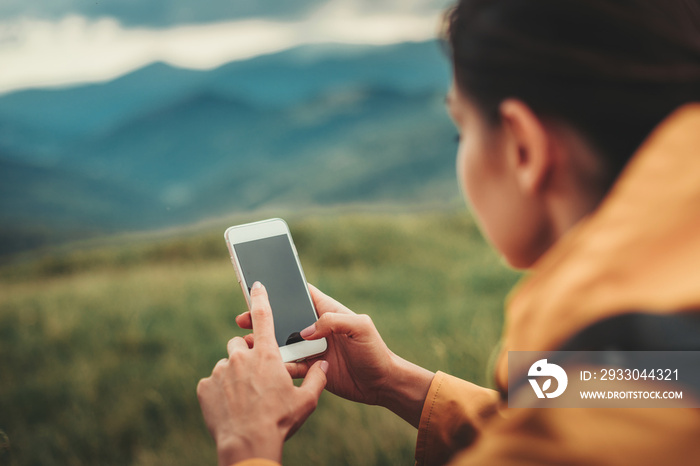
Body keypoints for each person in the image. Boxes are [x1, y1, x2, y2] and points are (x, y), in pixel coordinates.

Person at [196, 0, 700, 464]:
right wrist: (396, 382)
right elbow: (592, 410)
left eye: (463, 129)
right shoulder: (658, 350)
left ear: (524, 148)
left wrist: (249, 445)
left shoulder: (616, 353)